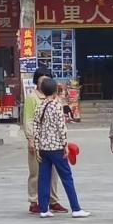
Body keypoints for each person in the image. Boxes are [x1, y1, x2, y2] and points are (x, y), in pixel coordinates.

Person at [31, 75, 89, 220]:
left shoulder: (40, 105)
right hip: (56, 147)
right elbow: (61, 127)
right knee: (67, 177)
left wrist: (37, 146)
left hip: (44, 148)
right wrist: (65, 145)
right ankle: (76, 208)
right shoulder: (57, 106)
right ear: (56, 91)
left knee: (44, 178)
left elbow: (35, 127)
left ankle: (44, 209)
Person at [24, 65, 67, 214]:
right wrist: (30, 138)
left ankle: (53, 200)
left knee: (53, 173)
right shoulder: (32, 98)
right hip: (37, 142)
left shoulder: (54, 99)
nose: (44, 83)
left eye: (47, 80)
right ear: (37, 81)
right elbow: (28, 119)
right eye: (42, 80)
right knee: (35, 172)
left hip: (52, 143)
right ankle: (33, 200)